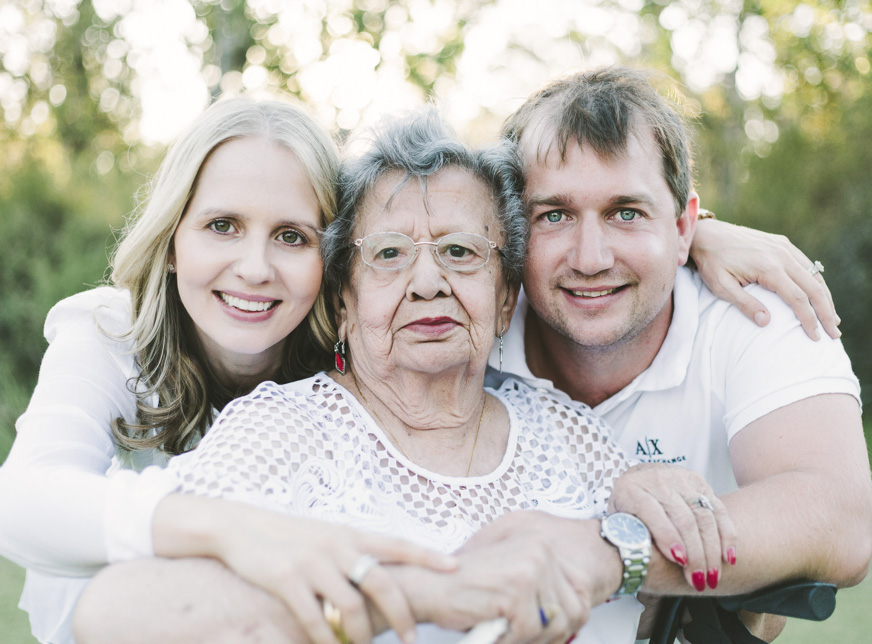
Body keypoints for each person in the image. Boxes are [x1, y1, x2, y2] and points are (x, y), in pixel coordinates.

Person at [73, 108, 739, 644]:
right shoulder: (284, 431)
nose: (427, 282)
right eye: (389, 254)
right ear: (343, 302)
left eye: (459, 251)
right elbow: (113, 613)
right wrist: (422, 593)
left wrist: (661, 501)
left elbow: (678, 615)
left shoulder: (567, 432)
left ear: (506, 297)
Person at [0, 96, 455, 644]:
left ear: (330, 259)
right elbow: (22, 499)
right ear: (171, 241)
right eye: (223, 226)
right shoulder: (111, 331)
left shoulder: (356, 356)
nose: (255, 269)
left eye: (292, 236)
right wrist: (228, 529)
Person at [478, 65, 871, 638]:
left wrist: (610, 552)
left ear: (686, 226)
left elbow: (839, 517)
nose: (590, 257)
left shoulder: (757, 311)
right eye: (554, 215)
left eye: (627, 213)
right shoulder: (463, 329)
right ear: (511, 231)